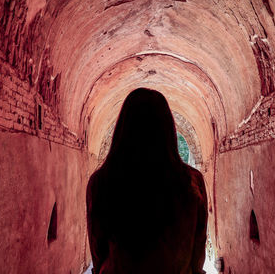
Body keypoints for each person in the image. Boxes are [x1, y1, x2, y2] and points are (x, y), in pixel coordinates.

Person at [86, 88, 208, 274]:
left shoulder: (102, 181)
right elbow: (198, 250)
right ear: (168, 127)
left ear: (123, 127)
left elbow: (98, 250)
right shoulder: (191, 182)